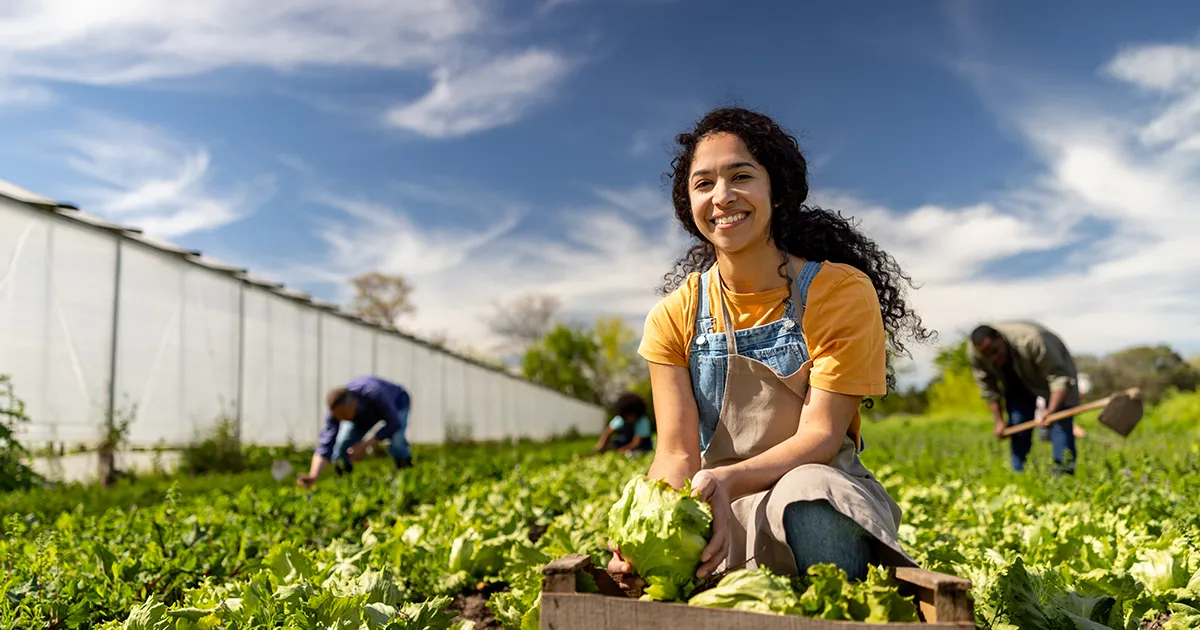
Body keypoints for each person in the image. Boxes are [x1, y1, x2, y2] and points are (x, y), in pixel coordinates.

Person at [609, 107, 932, 585]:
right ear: (688, 205)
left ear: (776, 191)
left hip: (818, 493)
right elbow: (677, 453)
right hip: (721, 513)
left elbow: (821, 436)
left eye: (741, 175)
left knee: (808, 490)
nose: (722, 197)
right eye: (703, 184)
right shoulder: (673, 316)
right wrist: (646, 529)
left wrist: (728, 478)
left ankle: (837, 610)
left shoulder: (837, 291)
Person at [967, 322, 1081, 475]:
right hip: (1016, 381)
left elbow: (1059, 378)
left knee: (1059, 419)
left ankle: (1063, 476)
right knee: (1018, 421)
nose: (993, 358)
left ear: (1000, 337)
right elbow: (988, 388)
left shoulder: (1033, 340)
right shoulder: (975, 352)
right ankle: (1019, 475)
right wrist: (999, 421)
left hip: (1052, 373)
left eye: (995, 351)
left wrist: (1050, 411)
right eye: (987, 356)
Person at [297, 375, 413, 488]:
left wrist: (365, 445)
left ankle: (405, 472)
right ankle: (345, 482)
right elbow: (325, 445)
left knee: (397, 441)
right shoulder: (336, 412)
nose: (340, 419)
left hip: (397, 402)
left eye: (343, 414)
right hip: (363, 416)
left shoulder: (374, 394)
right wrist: (313, 474)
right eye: (337, 416)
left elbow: (394, 423)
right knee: (342, 445)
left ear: (353, 403)